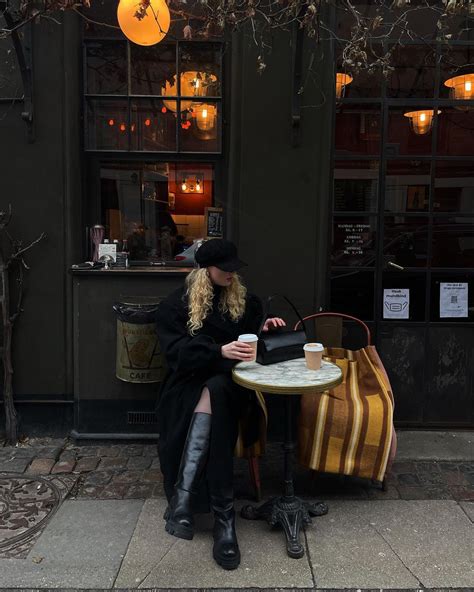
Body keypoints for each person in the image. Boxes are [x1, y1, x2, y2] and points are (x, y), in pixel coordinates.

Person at [155, 239, 285, 570]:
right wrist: (217, 352)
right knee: (213, 391)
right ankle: (223, 521)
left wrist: (266, 328)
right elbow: (176, 356)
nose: (231, 273)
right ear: (205, 270)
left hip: (237, 386)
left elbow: (254, 341)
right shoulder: (176, 305)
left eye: (233, 268)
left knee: (217, 389)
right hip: (187, 386)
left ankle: (184, 501)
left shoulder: (244, 301)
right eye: (224, 269)